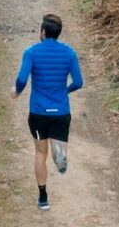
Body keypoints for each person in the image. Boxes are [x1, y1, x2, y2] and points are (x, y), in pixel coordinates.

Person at [13, 12, 83, 211]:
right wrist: (64, 90)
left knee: (39, 152)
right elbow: (78, 82)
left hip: (38, 113)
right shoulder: (69, 53)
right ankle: (59, 155)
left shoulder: (31, 52)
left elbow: (21, 80)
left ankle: (43, 198)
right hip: (60, 111)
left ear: (43, 32)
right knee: (58, 150)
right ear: (58, 33)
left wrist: (16, 92)